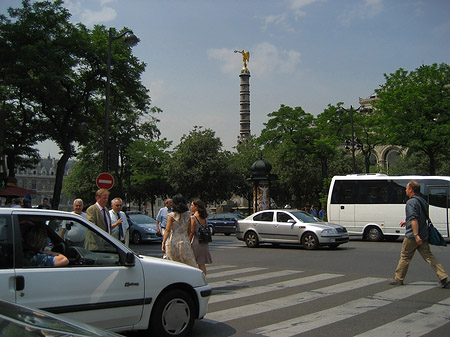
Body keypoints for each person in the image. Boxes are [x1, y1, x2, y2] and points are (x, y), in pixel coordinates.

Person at [388, 180, 450, 288]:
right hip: (424, 233)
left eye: (407, 188)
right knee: (429, 257)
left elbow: (414, 219)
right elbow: (419, 216)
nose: (405, 190)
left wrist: (416, 235)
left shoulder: (411, 202)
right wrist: (406, 221)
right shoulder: (422, 200)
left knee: (405, 256)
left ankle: (398, 278)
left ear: (411, 190)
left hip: (413, 235)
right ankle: (444, 277)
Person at [161, 194, 196, 267]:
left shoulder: (171, 215)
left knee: (174, 265)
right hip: (184, 241)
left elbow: (167, 230)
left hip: (173, 241)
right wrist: (188, 240)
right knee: (187, 264)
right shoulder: (188, 215)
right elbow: (189, 230)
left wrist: (163, 242)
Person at [189, 199, 212, 274]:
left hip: (196, 242)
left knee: (192, 263)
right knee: (201, 264)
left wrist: (188, 242)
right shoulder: (204, 218)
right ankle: (203, 279)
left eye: (192, 205)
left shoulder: (193, 218)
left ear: (196, 207)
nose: (190, 207)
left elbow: (192, 232)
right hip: (204, 242)